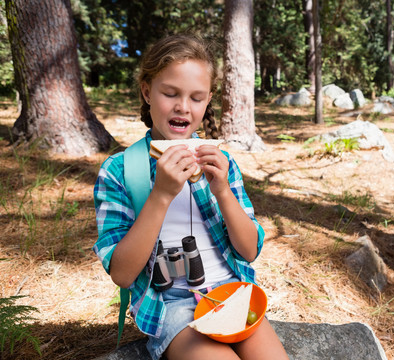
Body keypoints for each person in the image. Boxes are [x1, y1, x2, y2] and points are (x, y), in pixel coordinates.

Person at [93, 34, 288, 360]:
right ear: (147, 91)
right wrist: (160, 196)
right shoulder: (120, 170)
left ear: (208, 100)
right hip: (172, 307)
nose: (183, 106)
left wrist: (223, 190)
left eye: (197, 98)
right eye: (170, 93)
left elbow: (249, 250)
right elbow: (122, 274)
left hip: (231, 294)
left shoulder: (219, 162)